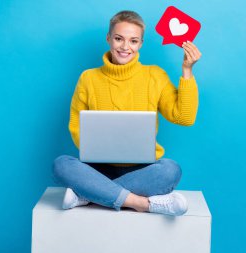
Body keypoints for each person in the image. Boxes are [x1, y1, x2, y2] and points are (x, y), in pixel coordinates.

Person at [53, 10, 201, 216]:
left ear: (140, 44)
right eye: (119, 39)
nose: (125, 47)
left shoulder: (154, 76)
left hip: (143, 170)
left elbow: (184, 117)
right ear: (108, 39)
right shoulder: (88, 78)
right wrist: (98, 148)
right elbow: (76, 125)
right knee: (61, 164)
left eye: (133, 41)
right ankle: (143, 204)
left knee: (171, 170)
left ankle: (89, 194)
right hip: (97, 169)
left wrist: (187, 71)